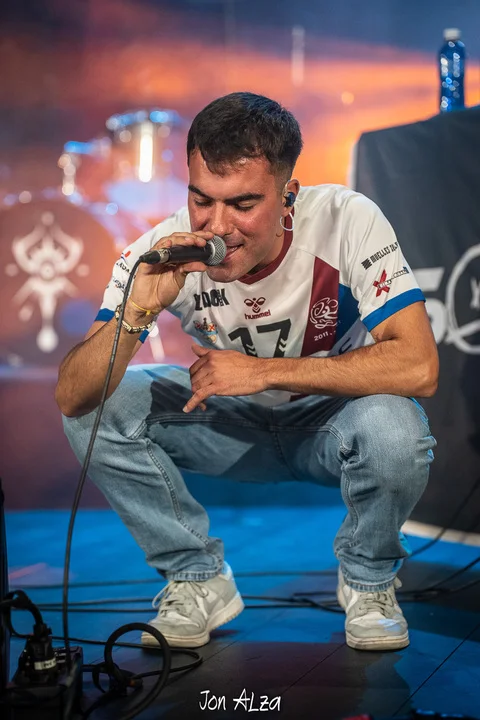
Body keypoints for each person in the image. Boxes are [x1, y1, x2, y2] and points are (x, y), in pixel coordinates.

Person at [55, 92, 438, 652]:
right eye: (201, 200)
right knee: (98, 409)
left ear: (288, 196)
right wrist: (138, 309)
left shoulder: (346, 218)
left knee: (397, 428)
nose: (218, 227)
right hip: (229, 425)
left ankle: (369, 581)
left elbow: (419, 365)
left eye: (243, 204)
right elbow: (73, 396)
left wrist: (263, 372)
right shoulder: (159, 249)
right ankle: (196, 578)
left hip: (334, 424)